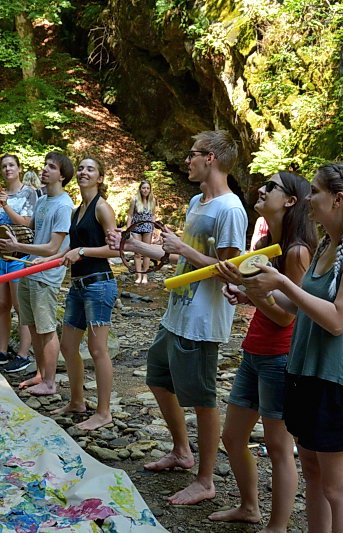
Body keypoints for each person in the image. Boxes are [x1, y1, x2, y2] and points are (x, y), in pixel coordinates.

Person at [233, 162, 343, 532]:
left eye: (315, 192)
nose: (308, 199)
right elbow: (295, 307)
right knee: (313, 472)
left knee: (337, 486)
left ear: (338, 199)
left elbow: (338, 319)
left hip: (339, 381)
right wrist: (252, 290)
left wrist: (282, 283)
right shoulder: (327, 244)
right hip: (305, 372)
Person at [107, 130, 248, 505]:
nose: (187, 160)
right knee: (157, 379)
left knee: (203, 399)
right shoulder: (197, 202)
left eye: (192, 154)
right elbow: (180, 258)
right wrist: (135, 245)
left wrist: (182, 248)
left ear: (210, 158)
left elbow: (230, 271)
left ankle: (206, 480)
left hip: (202, 322)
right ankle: (182, 451)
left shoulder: (231, 209)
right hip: (176, 313)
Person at [209, 172, 317, 530]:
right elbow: (272, 301)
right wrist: (243, 292)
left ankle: (277, 526)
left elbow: (288, 317)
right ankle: (249, 507)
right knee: (232, 437)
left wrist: (252, 292)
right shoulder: (268, 242)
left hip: (280, 357)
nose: (261, 189)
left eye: (271, 187)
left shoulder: (297, 251)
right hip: (254, 350)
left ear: (290, 200)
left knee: (278, 446)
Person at [0, 152, 75, 393]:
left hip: (46, 274)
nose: (44, 169)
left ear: (62, 175)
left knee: (46, 329)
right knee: (33, 327)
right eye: (45, 165)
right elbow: (30, 228)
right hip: (29, 269)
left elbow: (52, 247)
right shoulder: (42, 199)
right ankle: (40, 374)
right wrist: (4, 236)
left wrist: (16, 247)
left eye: (52, 167)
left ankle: (50, 382)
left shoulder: (64, 205)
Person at [49, 157, 119, 430]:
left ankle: (104, 412)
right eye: (80, 168)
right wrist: (47, 259)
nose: (83, 172)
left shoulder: (102, 208)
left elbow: (115, 249)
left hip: (99, 285)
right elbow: (70, 248)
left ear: (100, 178)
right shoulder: (77, 211)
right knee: (67, 346)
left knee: (98, 349)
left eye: (90, 169)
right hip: (78, 286)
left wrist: (83, 251)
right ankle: (77, 402)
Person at [0, 154, 36, 366]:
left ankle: (23, 354)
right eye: (4, 166)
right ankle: (2, 350)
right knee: (2, 305)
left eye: (11, 165)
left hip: (18, 257)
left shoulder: (29, 193)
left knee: (20, 306)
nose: (7, 169)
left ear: (19, 168)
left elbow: (27, 223)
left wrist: (5, 205)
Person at [126, 180, 157, 284]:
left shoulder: (152, 200)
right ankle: (138, 275)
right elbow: (130, 215)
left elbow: (153, 215)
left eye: (148, 188)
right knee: (137, 253)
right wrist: (128, 229)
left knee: (147, 252)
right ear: (140, 189)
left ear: (150, 190)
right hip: (136, 228)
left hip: (148, 228)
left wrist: (154, 228)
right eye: (143, 188)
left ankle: (145, 276)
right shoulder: (135, 200)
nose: (145, 190)